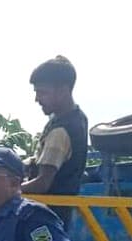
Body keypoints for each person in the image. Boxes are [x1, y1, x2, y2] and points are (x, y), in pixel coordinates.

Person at [23, 55, 89, 228]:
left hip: (45, 220)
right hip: (55, 219)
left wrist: (7, 190)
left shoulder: (61, 131)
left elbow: (42, 184)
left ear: (63, 91)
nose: (37, 99)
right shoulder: (75, 118)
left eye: (42, 92)